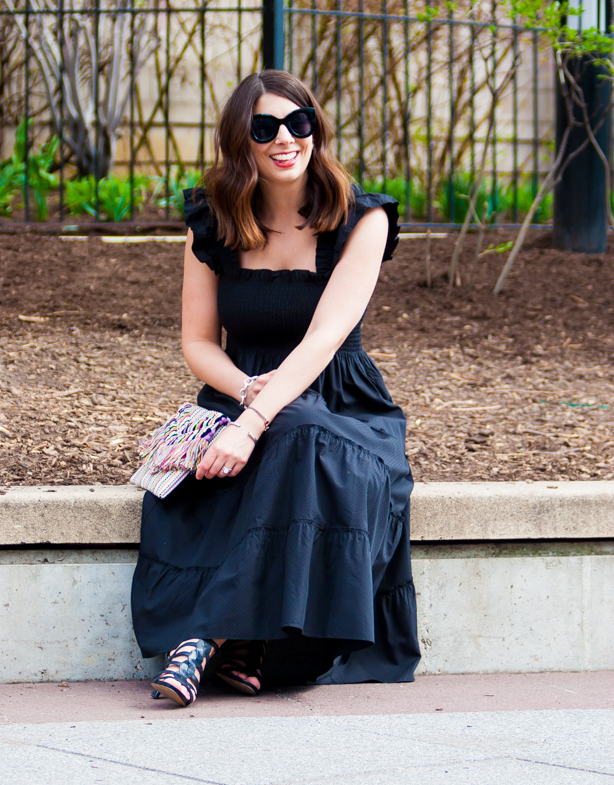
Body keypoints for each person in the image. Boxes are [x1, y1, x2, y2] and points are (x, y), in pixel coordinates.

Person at [131, 69, 421, 707]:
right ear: (243, 142)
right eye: (265, 128)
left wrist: (254, 421)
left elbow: (322, 341)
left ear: (315, 128)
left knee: (300, 430)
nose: (285, 138)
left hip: (342, 404)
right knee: (285, 434)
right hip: (238, 393)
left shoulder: (360, 219)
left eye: (299, 122)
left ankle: (203, 635)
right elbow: (198, 342)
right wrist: (243, 395)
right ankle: (245, 644)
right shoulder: (212, 222)